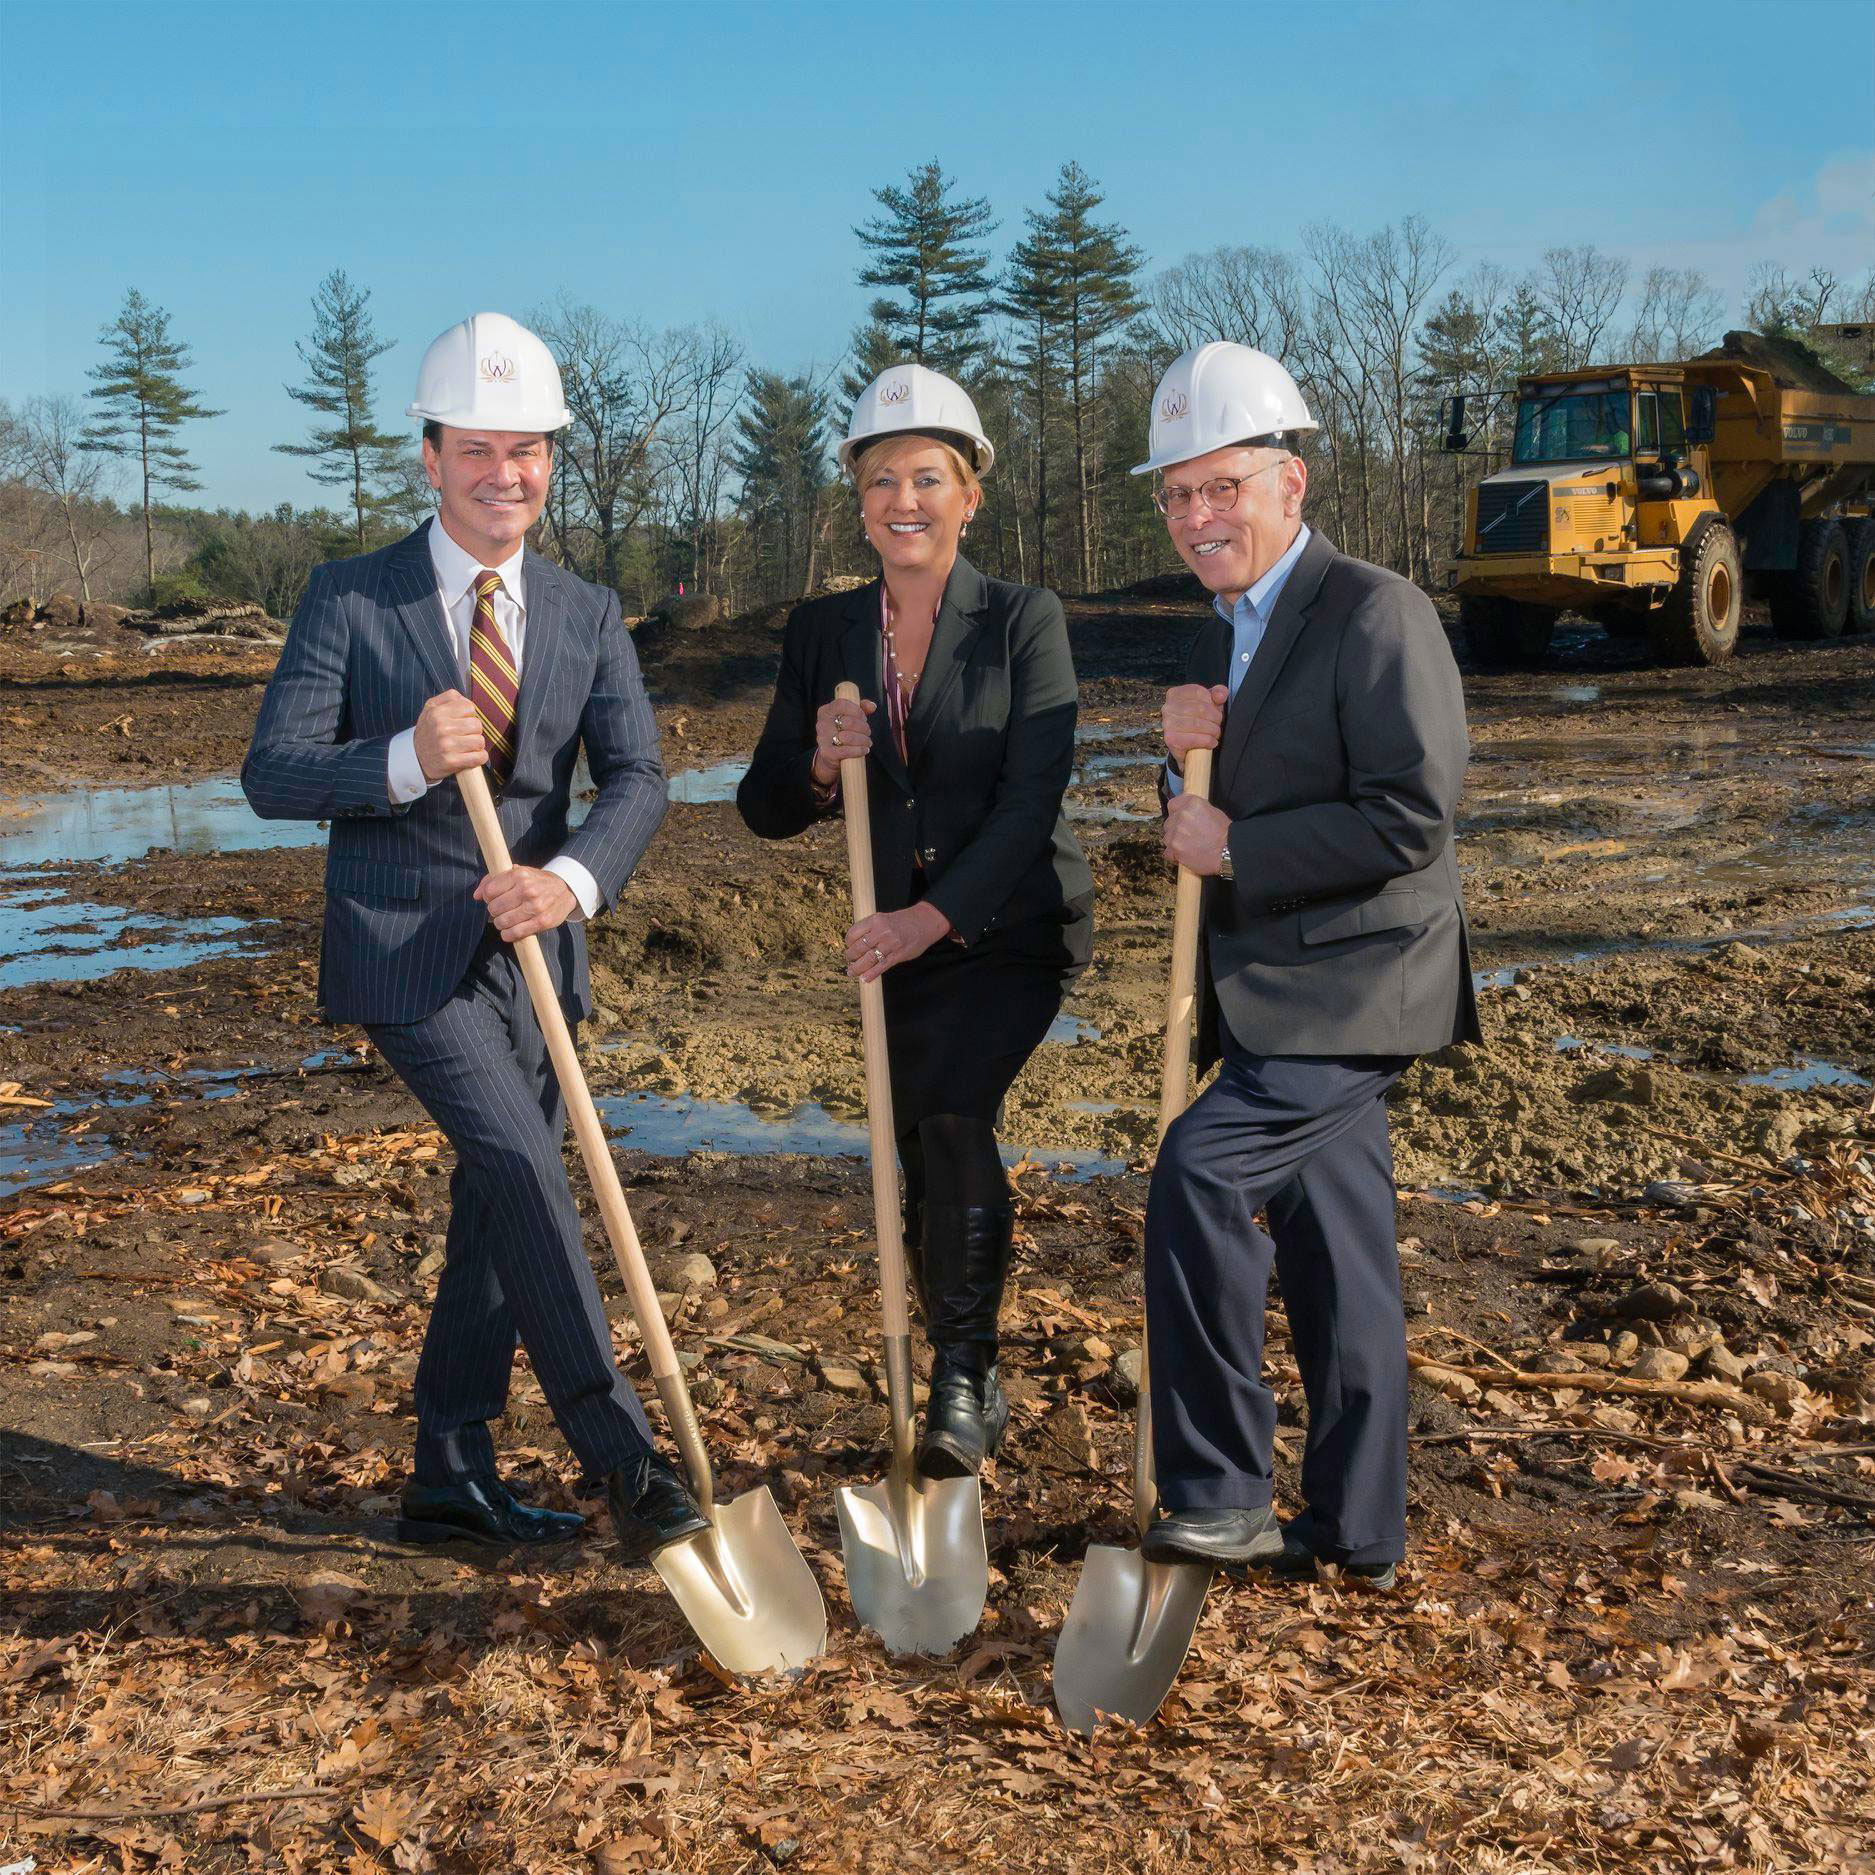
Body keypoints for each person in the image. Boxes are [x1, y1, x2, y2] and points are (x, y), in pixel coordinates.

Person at [243, 312, 709, 1561]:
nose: (509, 474)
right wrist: (399, 757)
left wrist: (569, 882)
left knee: (490, 1210)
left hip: (534, 957)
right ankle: (628, 1462)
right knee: (520, 1169)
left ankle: (450, 1467)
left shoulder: (584, 608)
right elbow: (273, 774)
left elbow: (641, 779)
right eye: (482, 449)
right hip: (403, 950)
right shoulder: (353, 598)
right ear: (433, 455)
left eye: (532, 451)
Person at [1135, 342, 1481, 1588]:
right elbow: (1225, 805)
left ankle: (1220, 1491)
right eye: (1177, 495)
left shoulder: (1374, 609)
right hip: (1278, 989)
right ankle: (1356, 1533)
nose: (1197, 516)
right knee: (1339, 1257)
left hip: (1357, 981)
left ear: (1290, 483)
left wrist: (1232, 844)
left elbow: (1412, 815)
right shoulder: (1237, 624)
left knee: (1201, 1172)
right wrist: (1180, 776)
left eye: (1221, 487)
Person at [737, 363, 1093, 1477]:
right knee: (909, 1154)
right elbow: (760, 807)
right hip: (891, 936)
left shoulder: (1025, 621)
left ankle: (955, 1375)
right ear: (857, 497)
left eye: (929, 477)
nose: (906, 498)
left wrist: (930, 920)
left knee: (949, 1113)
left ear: (970, 493)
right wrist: (812, 764)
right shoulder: (823, 632)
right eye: (882, 477)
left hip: (1012, 923)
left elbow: (1032, 802)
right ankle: (973, 1377)